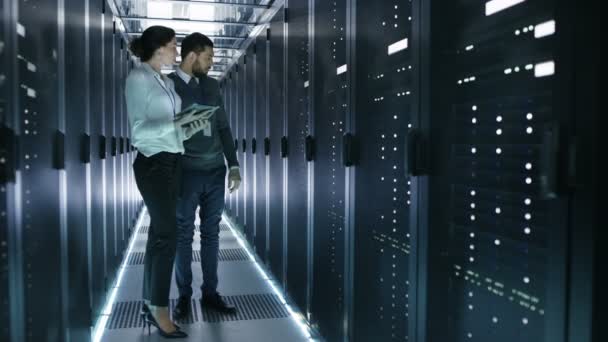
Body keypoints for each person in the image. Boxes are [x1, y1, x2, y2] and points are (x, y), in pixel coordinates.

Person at [126, 25, 212, 338]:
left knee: (159, 237)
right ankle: (159, 309)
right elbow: (139, 132)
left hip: (173, 162)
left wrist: (189, 125)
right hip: (154, 165)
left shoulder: (164, 81)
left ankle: (150, 302)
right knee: (168, 235)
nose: (177, 51)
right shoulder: (138, 79)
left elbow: (170, 128)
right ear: (160, 47)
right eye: (174, 45)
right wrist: (175, 123)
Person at [167, 32, 241, 319]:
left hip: (214, 172)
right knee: (184, 235)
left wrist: (233, 165)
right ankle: (184, 296)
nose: (212, 63)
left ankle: (210, 293)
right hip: (185, 172)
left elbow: (223, 127)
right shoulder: (168, 86)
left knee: (211, 234)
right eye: (208, 57)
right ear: (192, 56)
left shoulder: (212, 85)